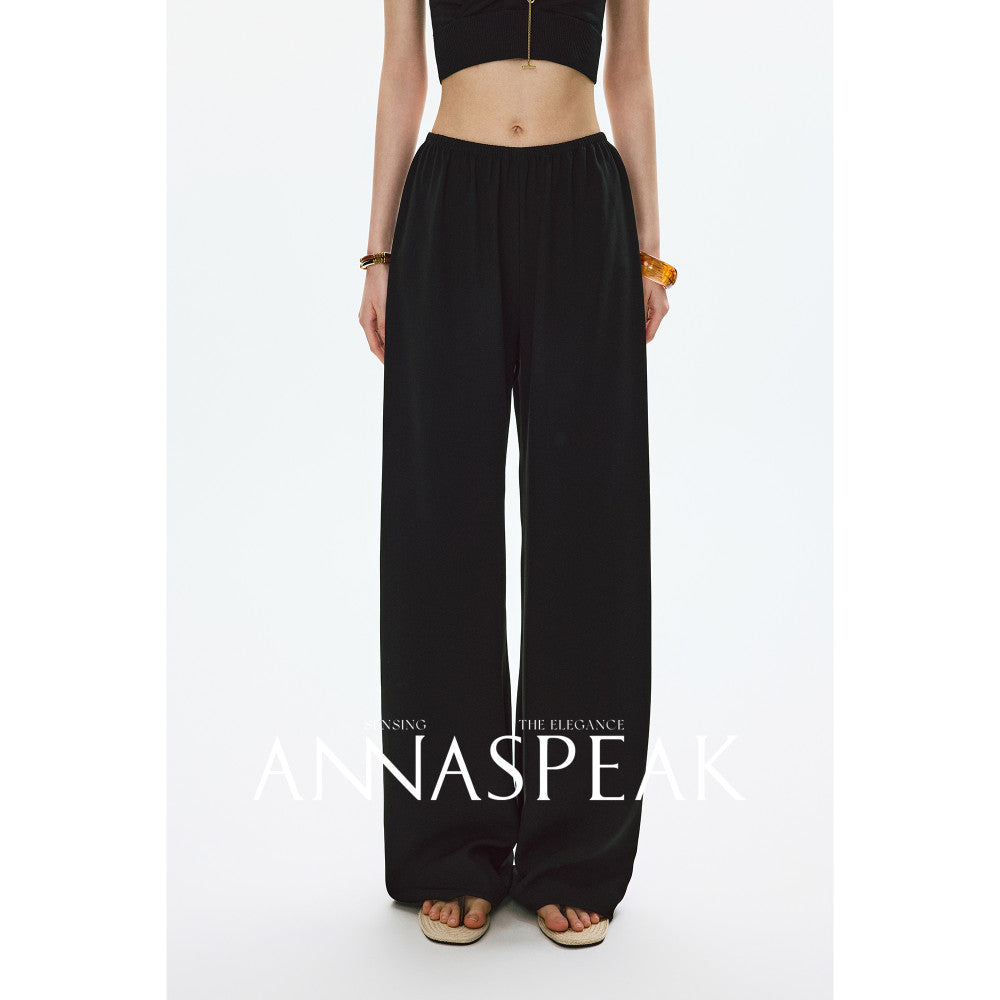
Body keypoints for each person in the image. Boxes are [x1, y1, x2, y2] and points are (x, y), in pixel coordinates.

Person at [357, 0, 670, 946]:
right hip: (450, 199)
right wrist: (378, 255)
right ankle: (452, 844)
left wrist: (651, 252)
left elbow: (631, 72)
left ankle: (575, 850)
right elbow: (402, 71)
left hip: (584, 202)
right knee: (439, 523)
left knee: (589, 523)